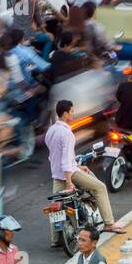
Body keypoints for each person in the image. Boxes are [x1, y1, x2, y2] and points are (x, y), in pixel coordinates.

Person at [45, 99, 123, 235]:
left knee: (56, 205)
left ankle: (56, 239)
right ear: (65, 113)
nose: (73, 114)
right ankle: (109, 223)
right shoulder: (67, 133)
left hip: (56, 175)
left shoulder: (51, 131)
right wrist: (69, 182)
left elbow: (54, 156)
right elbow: (65, 160)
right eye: (72, 111)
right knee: (100, 187)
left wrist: (79, 166)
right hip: (69, 173)